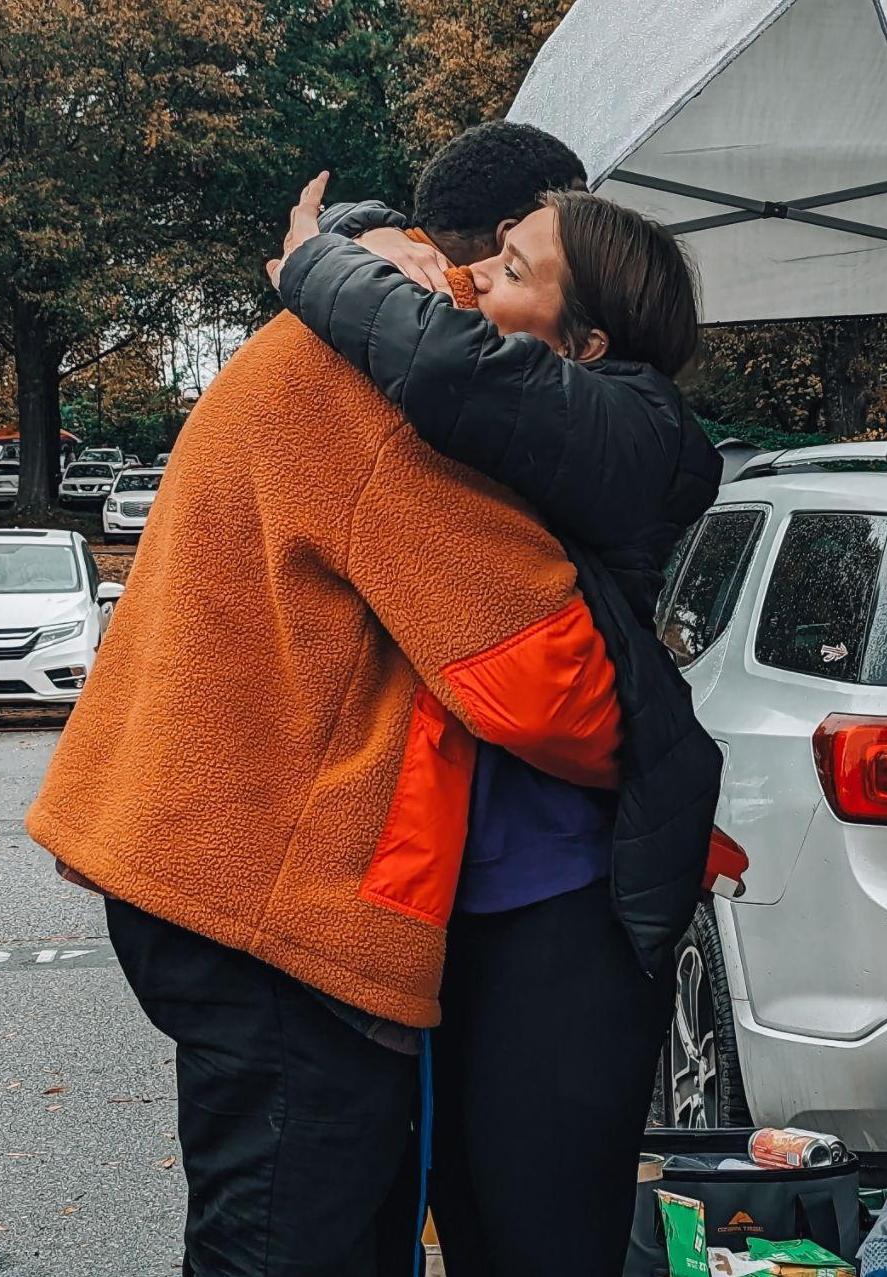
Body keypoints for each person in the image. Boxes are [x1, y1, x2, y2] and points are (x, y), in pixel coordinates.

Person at [26, 123, 623, 1277]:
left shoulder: (335, 334)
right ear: (515, 240)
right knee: (296, 1239)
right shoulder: (392, 375)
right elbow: (537, 672)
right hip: (267, 900)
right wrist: (660, 765)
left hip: (208, 859)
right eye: (562, 249)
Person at [271, 150, 731, 1277]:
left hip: (560, 904)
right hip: (457, 898)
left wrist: (312, 264)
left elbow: (449, 366)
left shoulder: (637, 428)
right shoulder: (536, 417)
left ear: (581, 346)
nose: (473, 282)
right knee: (465, 1214)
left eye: (510, 270)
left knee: (537, 1235)